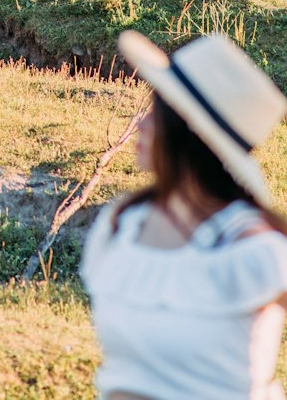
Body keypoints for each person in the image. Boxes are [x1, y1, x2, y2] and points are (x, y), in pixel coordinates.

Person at [82, 30, 287, 400]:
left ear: (188, 136)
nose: (141, 125)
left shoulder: (255, 249)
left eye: (157, 114)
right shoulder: (123, 223)